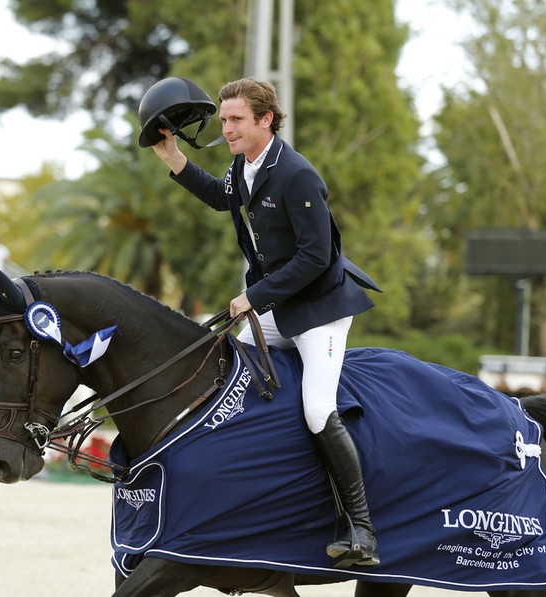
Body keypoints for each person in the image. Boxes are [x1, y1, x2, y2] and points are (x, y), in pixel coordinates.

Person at [146, 77, 382, 567]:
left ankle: (362, 528)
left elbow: (317, 257)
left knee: (317, 410)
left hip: (320, 311)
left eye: (235, 120)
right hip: (277, 307)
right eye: (225, 119)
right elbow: (218, 196)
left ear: (265, 120)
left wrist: (254, 296)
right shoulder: (244, 164)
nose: (226, 128)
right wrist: (173, 158)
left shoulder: (297, 175)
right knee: (224, 368)